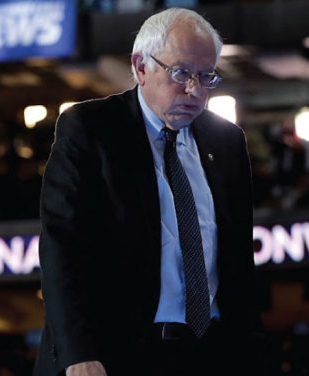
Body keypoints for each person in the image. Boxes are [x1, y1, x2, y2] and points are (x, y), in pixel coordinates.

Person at [34, 7, 268, 376]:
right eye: (181, 73)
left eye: (207, 77)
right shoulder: (91, 129)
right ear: (141, 67)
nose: (194, 89)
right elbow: (61, 247)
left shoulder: (227, 142)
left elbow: (237, 260)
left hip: (213, 352)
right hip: (115, 354)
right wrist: (77, 352)